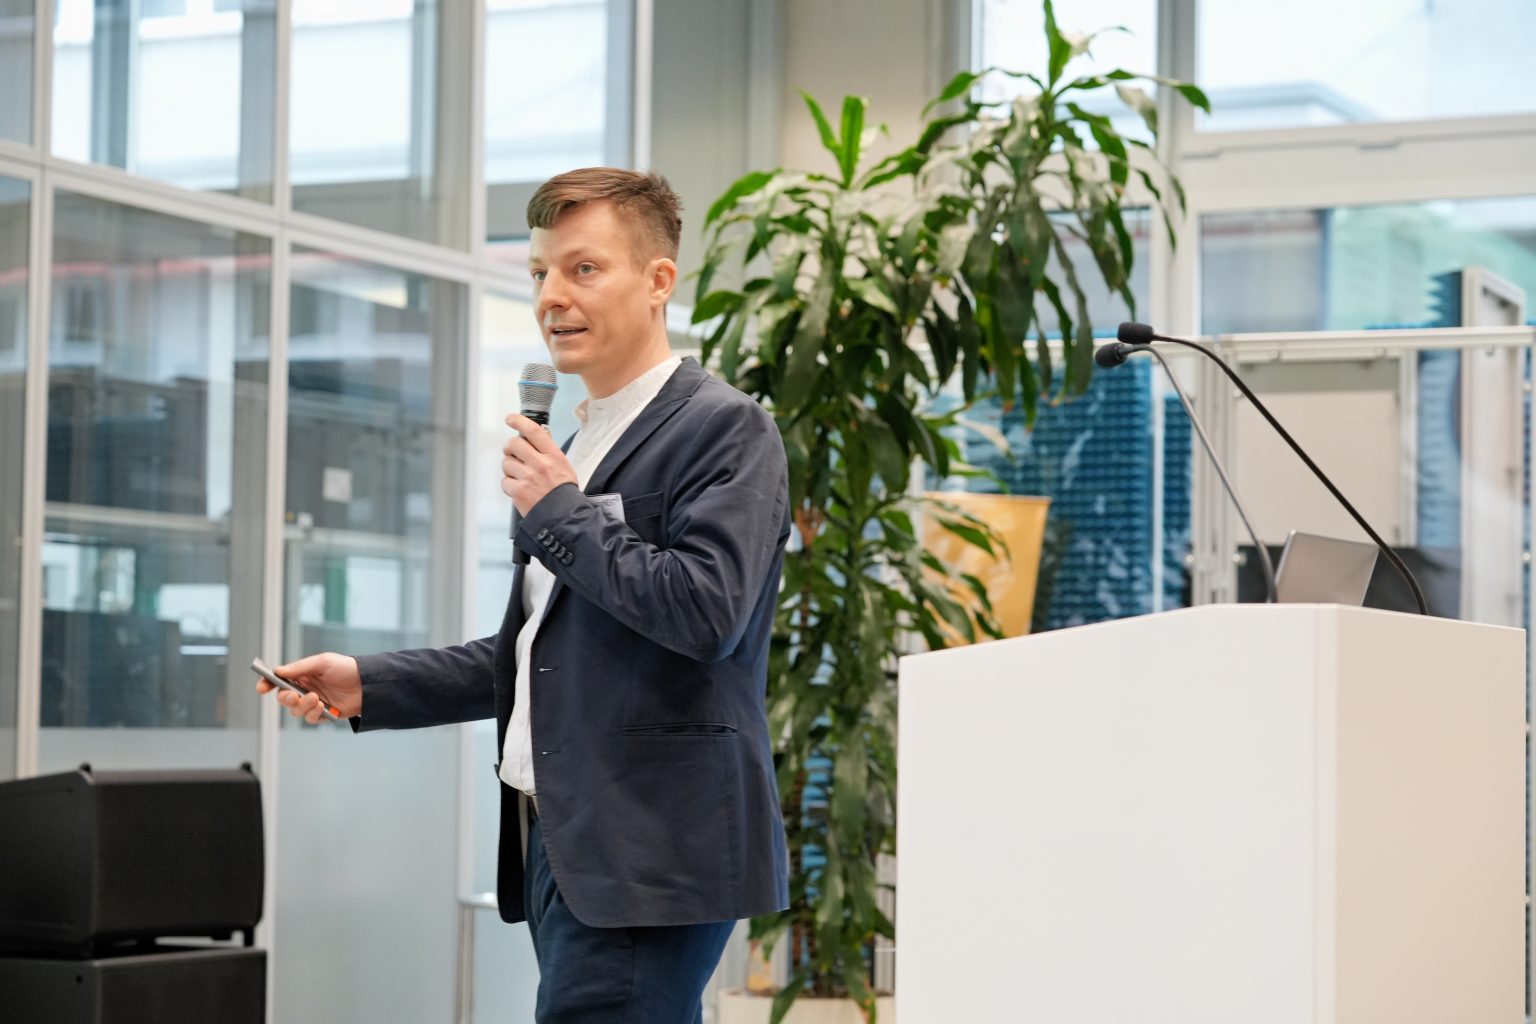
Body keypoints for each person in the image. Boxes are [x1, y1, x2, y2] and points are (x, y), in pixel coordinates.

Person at [257, 167, 791, 1023]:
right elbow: (546, 649)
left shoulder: (723, 428)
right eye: (539, 272)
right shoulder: (582, 435)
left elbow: (706, 612)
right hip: (563, 838)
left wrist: (560, 511)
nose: (552, 296)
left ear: (659, 282)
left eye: (583, 269)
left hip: (648, 847)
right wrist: (370, 682)